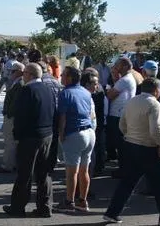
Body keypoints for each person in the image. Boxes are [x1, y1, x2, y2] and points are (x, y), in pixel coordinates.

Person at [103, 78, 160, 226]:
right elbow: (157, 128)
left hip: (131, 144)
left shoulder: (132, 101)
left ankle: (112, 212)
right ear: (157, 90)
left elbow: (122, 124)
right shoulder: (154, 104)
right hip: (149, 147)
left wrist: (130, 135)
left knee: (127, 182)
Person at [4, 63, 56, 218]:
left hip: (30, 137)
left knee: (25, 173)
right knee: (43, 173)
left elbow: (21, 116)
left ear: (30, 74)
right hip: (47, 135)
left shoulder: (27, 90)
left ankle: (18, 207)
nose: (23, 75)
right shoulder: (47, 89)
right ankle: (45, 207)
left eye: (24, 72)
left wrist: (17, 135)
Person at [54, 66, 95, 213]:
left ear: (70, 78)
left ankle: (69, 201)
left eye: (63, 75)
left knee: (72, 171)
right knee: (84, 170)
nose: (61, 77)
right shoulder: (86, 92)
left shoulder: (65, 93)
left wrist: (61, 134)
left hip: (74, 133)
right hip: (89, 132)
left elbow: (63, 117)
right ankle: (82, 200)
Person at [106, 57, 137, 177]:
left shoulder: (124, 80)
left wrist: (109, 88)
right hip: (121, 114)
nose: (115, 67)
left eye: (117, 65)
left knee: (121, 144)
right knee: (120, 144)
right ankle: (123, 168)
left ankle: (124, 170)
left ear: (125, 66)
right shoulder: (125, 79)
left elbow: (110, 95)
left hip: (118, 115)